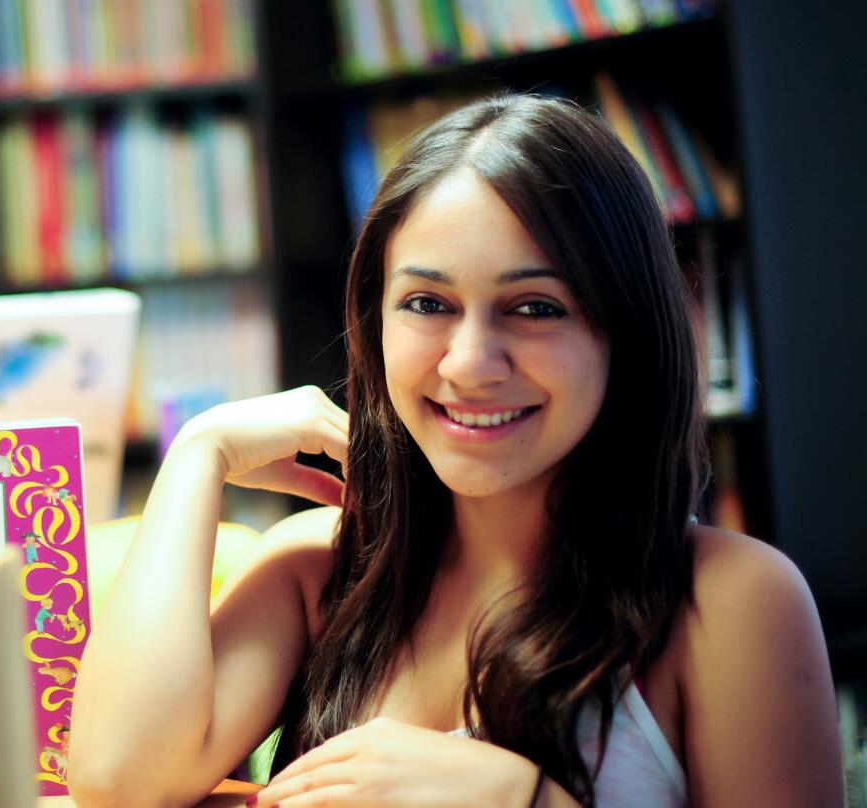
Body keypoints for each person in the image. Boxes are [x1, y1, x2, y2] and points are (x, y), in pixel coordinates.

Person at [67, 95, 843, 807]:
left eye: (536, 307)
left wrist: (524, 799)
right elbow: (120, 780)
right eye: (427, 304)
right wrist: (199, 455)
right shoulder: (319, 570)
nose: (469, 362)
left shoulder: (731, 601)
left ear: (625, 334)